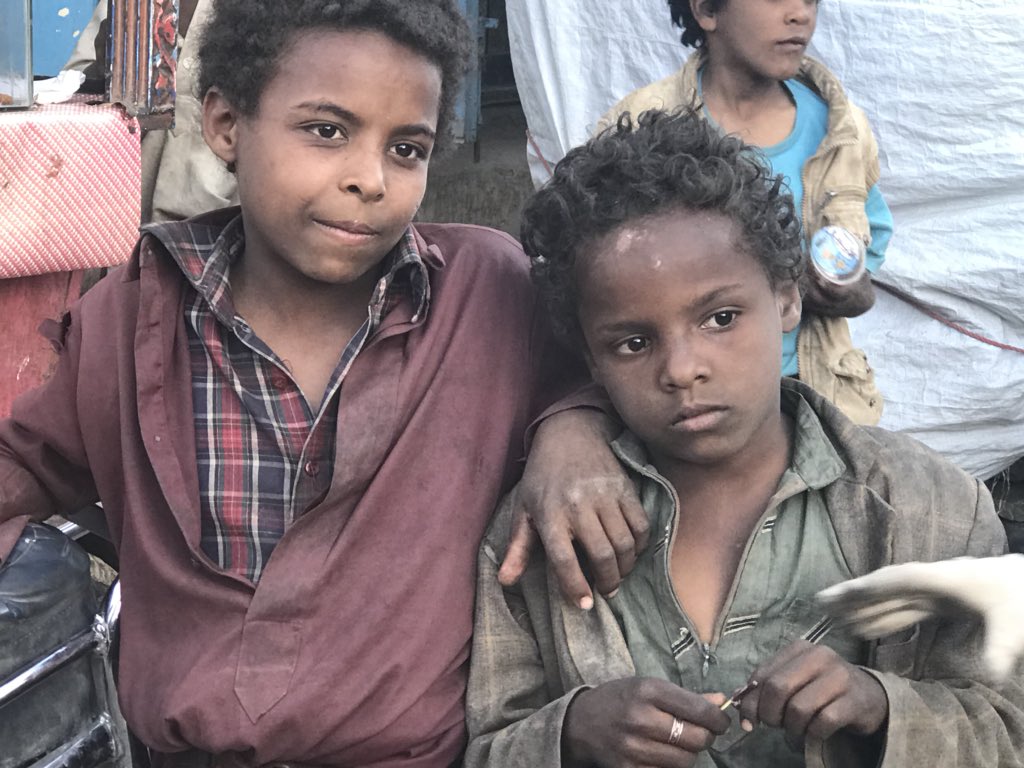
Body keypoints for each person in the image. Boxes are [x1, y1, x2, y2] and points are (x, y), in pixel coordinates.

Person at [0, 1, 647, 764]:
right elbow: (29, 465)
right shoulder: (134, 314)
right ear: (226, 125)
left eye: (406, 149)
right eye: (327, 131)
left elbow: (600, 373)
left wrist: (571, 428)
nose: (369, 180)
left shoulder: (486, 292)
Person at [465, 109, 1024, 768]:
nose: (682, 369)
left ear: (787, 299)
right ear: (590, 357)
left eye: (721, 318)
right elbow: (487, 743)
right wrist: (570, 733)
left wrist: (881, 708)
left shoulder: (932, 509)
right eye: (633, 342)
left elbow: (1006, 728)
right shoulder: (540, 531)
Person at [598, 0, 893, 425]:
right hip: (690, 401)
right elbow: (604, 275)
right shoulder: (641, 126)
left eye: (811, 0)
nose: (800, 14)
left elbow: (865, 255)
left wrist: (845, 289)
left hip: (819, 395)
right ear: (707, 10)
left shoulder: (840, 131)